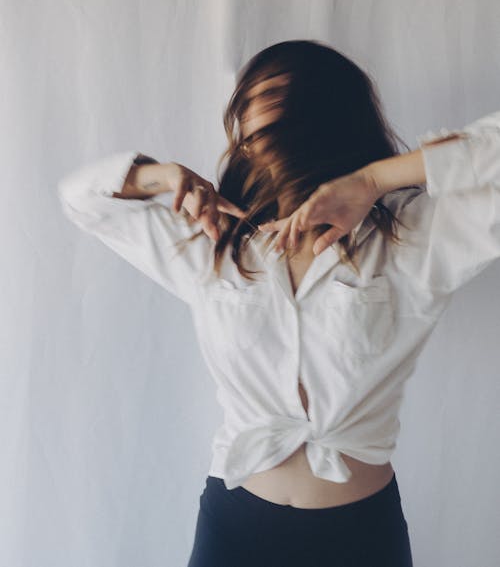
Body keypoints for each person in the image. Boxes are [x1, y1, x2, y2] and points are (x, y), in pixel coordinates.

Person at [57, 39, 500, 567]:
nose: (252, 113)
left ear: (324, 109)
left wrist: (373, 179)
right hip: (235, 529)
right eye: (246, 103)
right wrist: (163, 176)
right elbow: (80, 197)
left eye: (269, 94)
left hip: (360, 536)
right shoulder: (214, 245)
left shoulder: (412, 239)